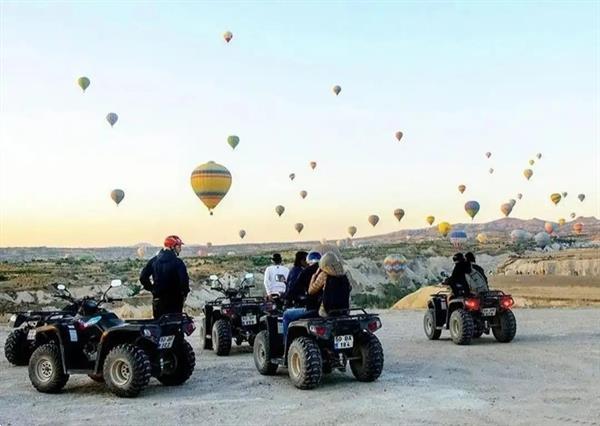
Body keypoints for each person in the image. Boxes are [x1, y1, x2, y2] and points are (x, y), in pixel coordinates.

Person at [140, 235, 190, 319]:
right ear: (172, 247)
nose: (180, 249)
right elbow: (184, 281)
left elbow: (143, 277)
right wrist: (184, 294)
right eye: (179, 246)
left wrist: (152, 289)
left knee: (159, 328)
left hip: (158, 300)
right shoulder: (178, 262)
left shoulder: (153, 261)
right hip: (175, 301)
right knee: (175, 326)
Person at [281, 250, 321, 340]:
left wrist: (285, 296)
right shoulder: (335, 273)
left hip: (314, 308)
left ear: (308, 261)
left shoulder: (305, 272)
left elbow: (292, 291)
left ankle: (287, 347)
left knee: (286, 315)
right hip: (335, 310)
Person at [308, 252, 351, 317]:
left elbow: (311, 291)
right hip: (344, 310)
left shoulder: (324, 275)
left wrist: (314, 276)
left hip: (326, 311)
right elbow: (349, 288)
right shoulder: (344, 275)